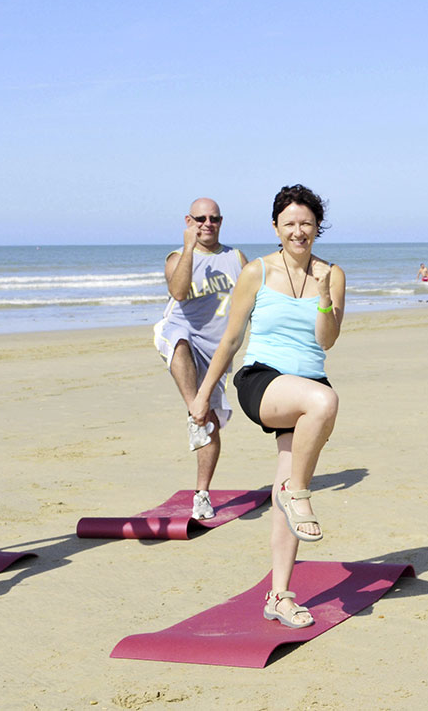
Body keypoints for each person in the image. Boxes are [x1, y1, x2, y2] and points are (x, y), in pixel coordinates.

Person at [189, 184, 343, 629]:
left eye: (307, 223)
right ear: (276, 226)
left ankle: (279, 595)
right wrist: (204, 394)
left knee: (285, 485)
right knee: (325, 404)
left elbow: (327, 340)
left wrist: (325, 296)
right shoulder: (256, 271)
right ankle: (297, 493)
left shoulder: (332, 274)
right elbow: (232, 338)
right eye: (290, 223)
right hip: (263, 382)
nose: (299, 231)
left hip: (308, 384)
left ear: (318, 228)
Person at [152, 197, 247, 520]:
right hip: (182, 333)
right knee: (177, 339)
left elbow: (252, 302)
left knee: (211, 421)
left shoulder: (236, 258)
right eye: (201, 219)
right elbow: (178, 293)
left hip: (217, 351)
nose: (208, 224)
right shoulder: (177, 258)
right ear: (188, 221)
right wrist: (190, 249)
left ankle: (202, 493)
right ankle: (195, 410)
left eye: (214, 219)